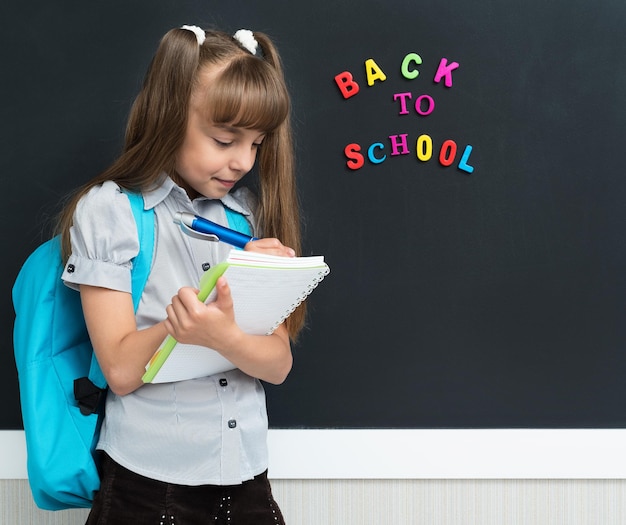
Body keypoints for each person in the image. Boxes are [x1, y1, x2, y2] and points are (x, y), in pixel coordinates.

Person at [58, 25, 304, 524]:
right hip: (147, 487)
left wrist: (225, 334)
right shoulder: (110, 212)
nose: (242, 161)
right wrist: (185, 326)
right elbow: (121, 371)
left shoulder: (246, 216)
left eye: (256, 144)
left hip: (247, 480)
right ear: (169, 116)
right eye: (224, 139)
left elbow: (277, 366)